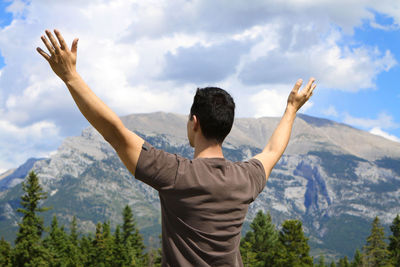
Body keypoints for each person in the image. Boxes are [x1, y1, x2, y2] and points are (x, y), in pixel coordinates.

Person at [37, 29, 316, 267]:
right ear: (226, 128)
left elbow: (115, 133)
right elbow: (272, 151)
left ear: (194, 122)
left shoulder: (176, 174)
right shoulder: (246, 178)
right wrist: (291, 108)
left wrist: (70, 76)